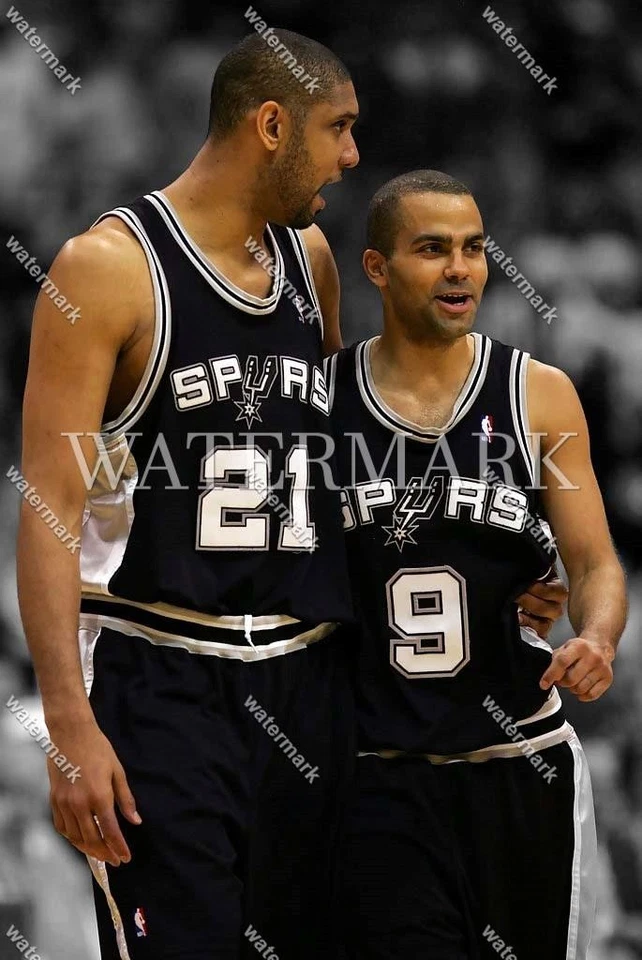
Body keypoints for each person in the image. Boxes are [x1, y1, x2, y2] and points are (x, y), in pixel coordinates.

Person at [15, 28, 564, 959]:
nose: (353, 157)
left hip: (310, 683)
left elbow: (335, 475)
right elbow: (47, 511)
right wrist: (67, 725)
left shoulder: (310, 263)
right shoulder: (106, 271)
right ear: (271, 125)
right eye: (336, 129)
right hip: (168, 681)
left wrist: (481, 569)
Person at [330, 170, 627, 960]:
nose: (460, 268)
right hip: (379, 778)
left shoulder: (540, 395)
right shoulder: (321, 403)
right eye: (432, 250)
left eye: (472, 248)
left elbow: (595, 561)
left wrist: (597, 637)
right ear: (377, 269)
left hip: (520, 764)